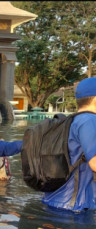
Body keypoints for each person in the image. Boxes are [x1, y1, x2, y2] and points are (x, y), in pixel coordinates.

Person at [42, 77, 96, 212]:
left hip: (58, 201)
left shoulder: (73, 120)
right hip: (75, 206)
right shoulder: (89, 120)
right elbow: (94, 163)